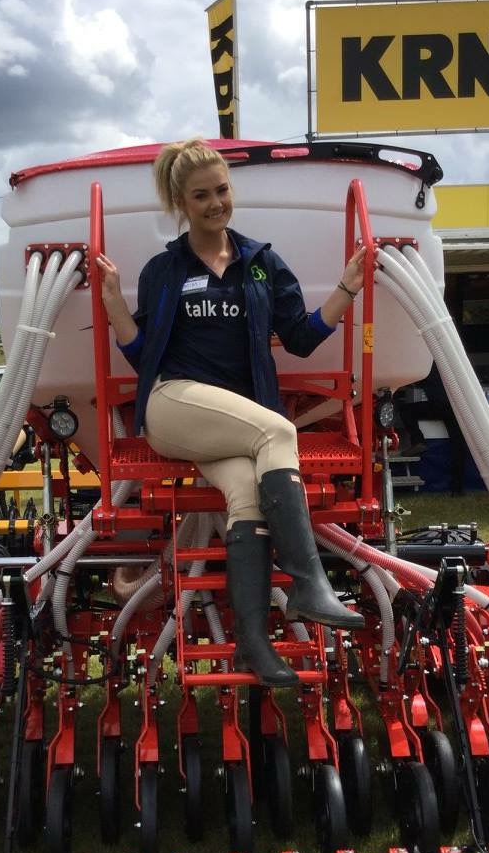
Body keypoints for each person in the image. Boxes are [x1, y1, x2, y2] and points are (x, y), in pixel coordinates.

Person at [96, 138, 366, 688]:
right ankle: (308, 583)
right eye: (202, 196)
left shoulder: (261, 265)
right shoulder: (164, 270)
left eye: (222, 190)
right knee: (278, 430)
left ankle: (252, 644)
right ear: (181, 202)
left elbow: (301, 337)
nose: (216, 202)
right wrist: (113, 305)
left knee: (247, 494)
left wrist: (345, 289)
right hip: (173, 403)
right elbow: (141, 352)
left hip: (233, 421)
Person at [395, 362, 469, 494]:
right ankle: (457, 488)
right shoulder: (450, 363)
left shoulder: (425, 365)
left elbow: (408, 379)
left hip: (440, 405)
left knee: (405, 410)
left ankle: (418, 440)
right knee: (458, 446)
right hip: (458, 405)